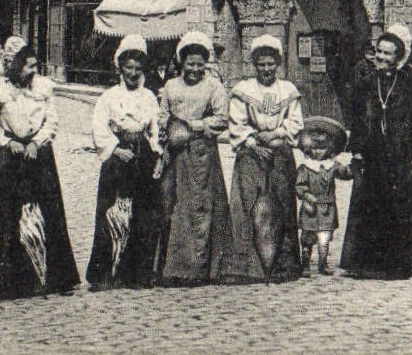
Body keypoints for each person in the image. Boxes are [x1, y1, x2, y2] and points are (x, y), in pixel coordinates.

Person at [0, 36, 79, 301]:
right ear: (14, 66)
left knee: (49, 212)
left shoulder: (42, 89)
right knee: (10, 216)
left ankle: (55, 277)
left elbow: (52, 121)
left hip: (40, 157)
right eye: (28, 66)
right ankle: (12, 281)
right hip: (11, 159)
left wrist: (36, 142)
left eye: (35, 65)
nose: (33, 71)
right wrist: (6, 142)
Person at [339, 29, 412, 280]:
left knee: (399, 206)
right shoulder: (367, 79)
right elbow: (356, 118)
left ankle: (398, 264)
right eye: (378, 51)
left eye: (387, 53)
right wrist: (356, 150)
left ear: (398, 56)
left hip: (401, 153)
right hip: (372, 152)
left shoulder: (410, 80)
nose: (380, 57)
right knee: (368, 205)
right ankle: (366, 264)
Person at [223, 35, 304, 283]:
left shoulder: (288, 90)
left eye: (271, 64)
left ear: (278, 64)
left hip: (279, 154)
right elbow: (237, 123)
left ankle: (283, 265)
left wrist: (276, 134)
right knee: (247, 206)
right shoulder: (244, 90)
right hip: (251, 156)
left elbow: (294, 122)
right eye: (261, 64)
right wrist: (253, 144)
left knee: (281, 206)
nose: (266, 69)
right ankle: (247, 267)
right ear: (254, 65)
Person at [86, 34, 163, 290]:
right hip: (117, 163)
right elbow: (99, 128)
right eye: (128, 67)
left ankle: (137, 273)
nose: (132, 73)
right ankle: (106, 272)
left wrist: (156, 154)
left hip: (142, 161)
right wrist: (116, 149)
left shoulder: (150, 97)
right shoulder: (108, 97)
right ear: (120, 67)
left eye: (137, 69)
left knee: (142, 215)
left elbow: (155, 129)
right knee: (112, 213)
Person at [156, 31, 232, 286]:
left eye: (200, 64)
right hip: (177, 154)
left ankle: (204, 267)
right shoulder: (170, 87)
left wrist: (195, 125)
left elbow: (222, 118)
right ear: (182, 62)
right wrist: (171, 129)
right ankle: (175, 267)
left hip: (203, 153)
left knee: (203, 206)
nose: (195, 69)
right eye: (191, 63)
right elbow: (162, 116)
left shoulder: (213, 87)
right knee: (174, 206)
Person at [294, 116, 353, 276]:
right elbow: (299, 186)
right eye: (315, 148)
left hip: (327, 208)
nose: (318, 152)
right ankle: (305, 264)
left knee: (324, 238)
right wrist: (306, 195)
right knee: (307, 238)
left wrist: (354, 167)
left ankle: (323, 263)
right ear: (308, 149)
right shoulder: (305, 168)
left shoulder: (332, 166)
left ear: (331, 150)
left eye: (323, 148)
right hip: (310, 209)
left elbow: (344, 174)